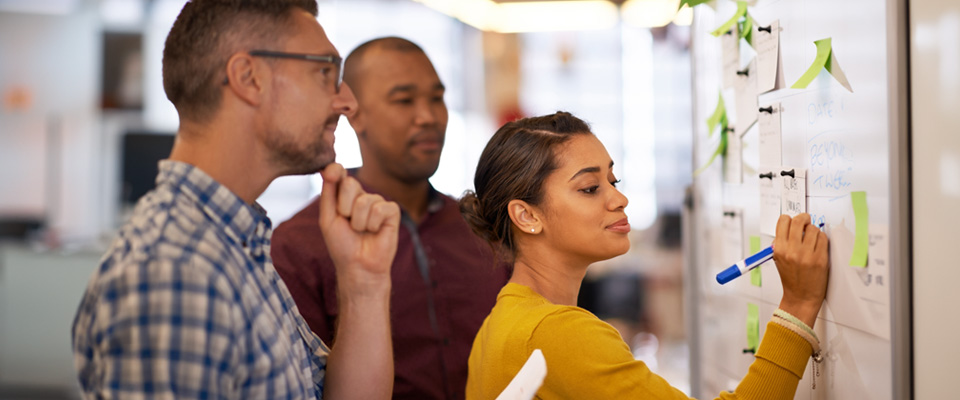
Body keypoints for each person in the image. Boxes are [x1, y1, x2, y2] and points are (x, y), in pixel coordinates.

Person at [71, 1, 400, 398]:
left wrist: (363, 283)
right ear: (249, 77)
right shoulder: (175, 274)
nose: (348, 102)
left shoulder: (236, 247)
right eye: (326, 71)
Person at [460, 112, 830, 399]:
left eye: (613, 181)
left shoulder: (501, 322)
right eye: (590, 188)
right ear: (527, 216)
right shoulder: (556, 333)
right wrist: (798, 304)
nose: (619, 198)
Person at [272, 37, 509, 400]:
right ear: (354, 113)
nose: (428, 117)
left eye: (436, 98)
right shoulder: (301, 244)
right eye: (404, 100)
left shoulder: (483, 227)